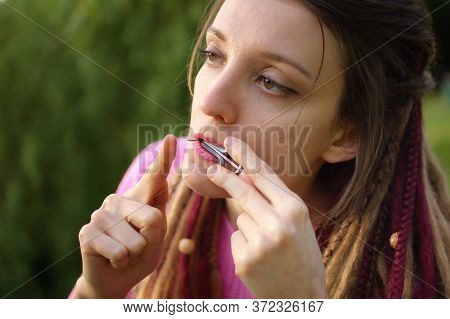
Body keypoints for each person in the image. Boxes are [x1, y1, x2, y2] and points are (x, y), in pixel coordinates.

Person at [71, 0, 450, 299]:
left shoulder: (409, 276)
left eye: (270, 81)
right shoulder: (154, 181)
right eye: (214, 55)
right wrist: (97, 294)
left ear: (346, 136)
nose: (211, 101)